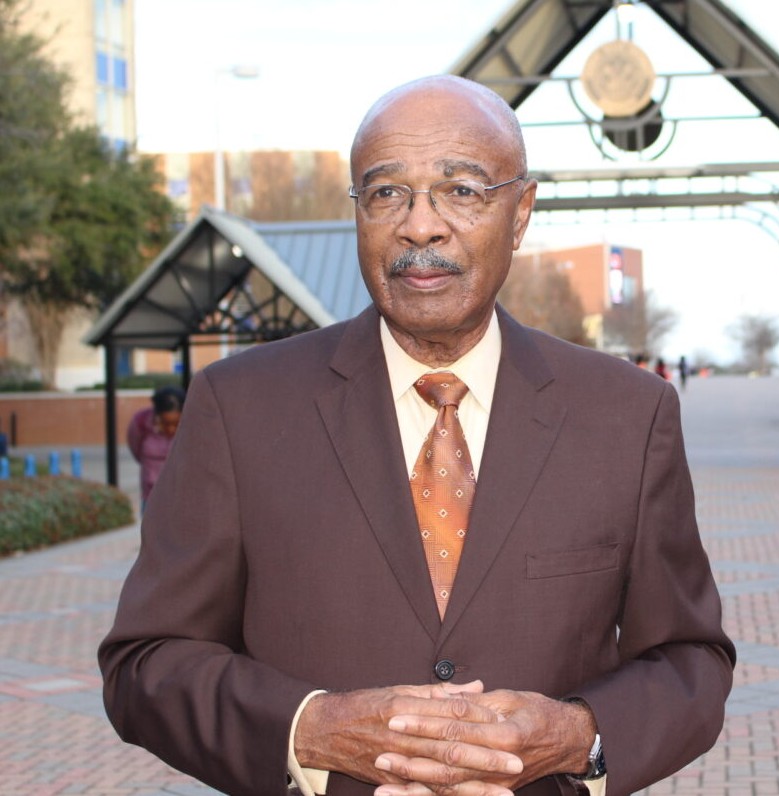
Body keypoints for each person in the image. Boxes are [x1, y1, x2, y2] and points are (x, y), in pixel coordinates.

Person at [99, 75, 734, 796]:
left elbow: (689, 660)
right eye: (387, 193)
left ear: (520, 212)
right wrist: (308, 731)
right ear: (358, 212)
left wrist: (577, 736)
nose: (421, 226)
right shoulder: (239, 407)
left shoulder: (627, 414)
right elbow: (145, 661)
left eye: (461, 190)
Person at [125, 385, 185, 506]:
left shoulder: (193, 426)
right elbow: (135, 448)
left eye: (176, 424)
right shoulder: (141, 421)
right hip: (151, 494)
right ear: (156, 415)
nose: (171, 429)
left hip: (182, 495)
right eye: (165, 423)